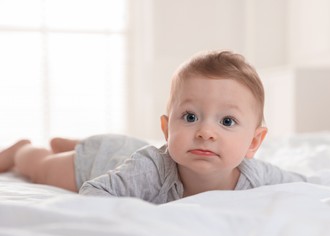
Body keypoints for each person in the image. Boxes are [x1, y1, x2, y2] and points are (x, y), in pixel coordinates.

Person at [0, 50, 306, 204]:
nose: (205, 132)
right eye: (189, 117)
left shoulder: (257, 177)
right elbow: (93, 193)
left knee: (123, 150)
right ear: (166, 128)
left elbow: (302, 184)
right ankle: (23, 149)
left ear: (254, 142)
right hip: (103, 160)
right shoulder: (149, 169)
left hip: (127, 151)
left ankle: (72, 142)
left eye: (227, 122)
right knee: (41, 167)